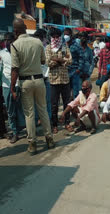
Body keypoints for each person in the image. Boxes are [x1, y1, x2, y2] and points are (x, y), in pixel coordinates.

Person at [10, 19, 54, 155]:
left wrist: (12, 87)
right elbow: (43, 61)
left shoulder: (15, 45)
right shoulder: (37, 42)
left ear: (16, 31)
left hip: (25, 82)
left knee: (29, 113)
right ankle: (49, 139)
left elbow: (15, 69)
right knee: (43, 110)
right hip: (39, 80)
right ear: (25, 28)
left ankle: (33, 144)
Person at [46, 28, 73, 134]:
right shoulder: (48, 48)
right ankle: (55, 125)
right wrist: (62, 60)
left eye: (58, 36)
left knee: (67, 103)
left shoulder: (65, 47)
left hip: (65, 80)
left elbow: (70, 61)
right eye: (54, 37)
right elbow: (48, 63)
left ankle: (67, 122)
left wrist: (57, 59)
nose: (56, 38)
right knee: (54, 104)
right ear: (51, 38)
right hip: (53, 81)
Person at [0, 32, 25, 143]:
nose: (7, 42)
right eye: (6, 40)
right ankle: (15, 132)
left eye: (9, 40)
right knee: (10, 110)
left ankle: (23, 127)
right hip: (6, 85)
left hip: (19, 83)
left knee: (21, 107)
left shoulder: (19, 51)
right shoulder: (2, 53)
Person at [34, 29, 52, 123]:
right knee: (37, 101)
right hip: (37, 78)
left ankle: (48, 119)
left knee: (47, 100)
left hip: (46, 77)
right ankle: (38, 119)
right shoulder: (33, 48)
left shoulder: (48, 48)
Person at [64, 28, 84, 98]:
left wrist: (79, 69)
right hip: (65, 72)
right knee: (66, 93)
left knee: (76, 92)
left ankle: (76, 108)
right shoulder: (63, 45)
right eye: (64, 34)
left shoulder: (76, 45)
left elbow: (81, 57)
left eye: (67, 34)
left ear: (71, 35)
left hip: (75, 71)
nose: (65, 36)